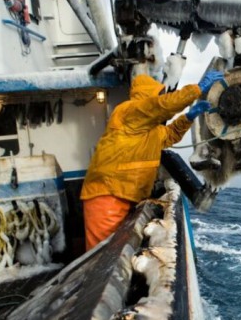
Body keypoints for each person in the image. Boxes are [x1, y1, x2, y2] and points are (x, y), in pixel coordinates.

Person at [81, 70, 224, 250]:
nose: (162, 98)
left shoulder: (150, 130)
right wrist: (197, 89)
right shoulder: (127, 112)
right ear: (148, 97)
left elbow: (170, 134)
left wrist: (189, 117)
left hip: (127, 195)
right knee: (100, 255)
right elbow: (161, 106)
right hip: (106, 195)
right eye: (160, 95)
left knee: (116, 252)